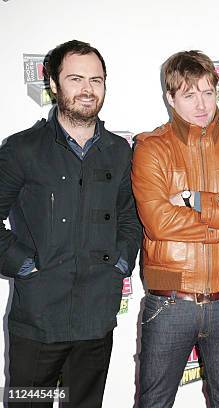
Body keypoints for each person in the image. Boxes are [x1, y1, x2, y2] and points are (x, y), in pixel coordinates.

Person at [0, 40, 141, 407]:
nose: (87, 89)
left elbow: (129, 216)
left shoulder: (118, 150)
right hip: (36, 323)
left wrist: (121, 263)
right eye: (75, 79)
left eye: (96, 80)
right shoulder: (21, 149)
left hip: (96, 321)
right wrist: (26, 266)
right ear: (53, 85)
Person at [132, 50, 219, 407]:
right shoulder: (151, 148)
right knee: (154, 403)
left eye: (208, 92)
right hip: (169, 300)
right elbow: (159, 222)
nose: (201, 103)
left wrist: (195, 200)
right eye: (189, 94)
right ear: (170, 98)